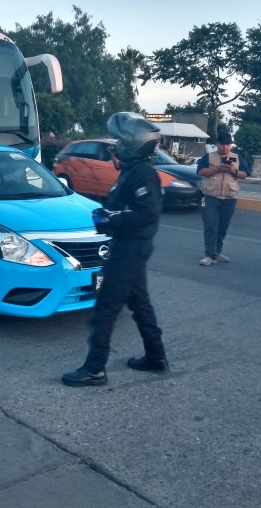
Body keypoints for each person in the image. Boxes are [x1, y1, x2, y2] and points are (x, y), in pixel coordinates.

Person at [62, 112, 168, 387]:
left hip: (131, 249)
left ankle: (95, 368)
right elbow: (125, 207)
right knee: (140, 305)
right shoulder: (132, 171)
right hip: (127, 245)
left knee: (105, 309)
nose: (116, 147)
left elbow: (147, 216)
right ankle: (156, 357)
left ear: (136, 144)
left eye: (122, 142)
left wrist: (112, 219)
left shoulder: (144, 174)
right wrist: (106, 214)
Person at [196, 131, 250, 265]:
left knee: (222, 227)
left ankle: (217, 252)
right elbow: (201, 171)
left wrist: (234, 171)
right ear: (217, 144)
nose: (225, 147)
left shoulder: (237, 158)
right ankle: (209, 255)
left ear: (230, 145)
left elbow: (245, 174)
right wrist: (218, 168)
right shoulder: (208, 157)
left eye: (228, 144)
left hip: (229, 198)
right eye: (222, 144)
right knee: (210, 226)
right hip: (210, 197)